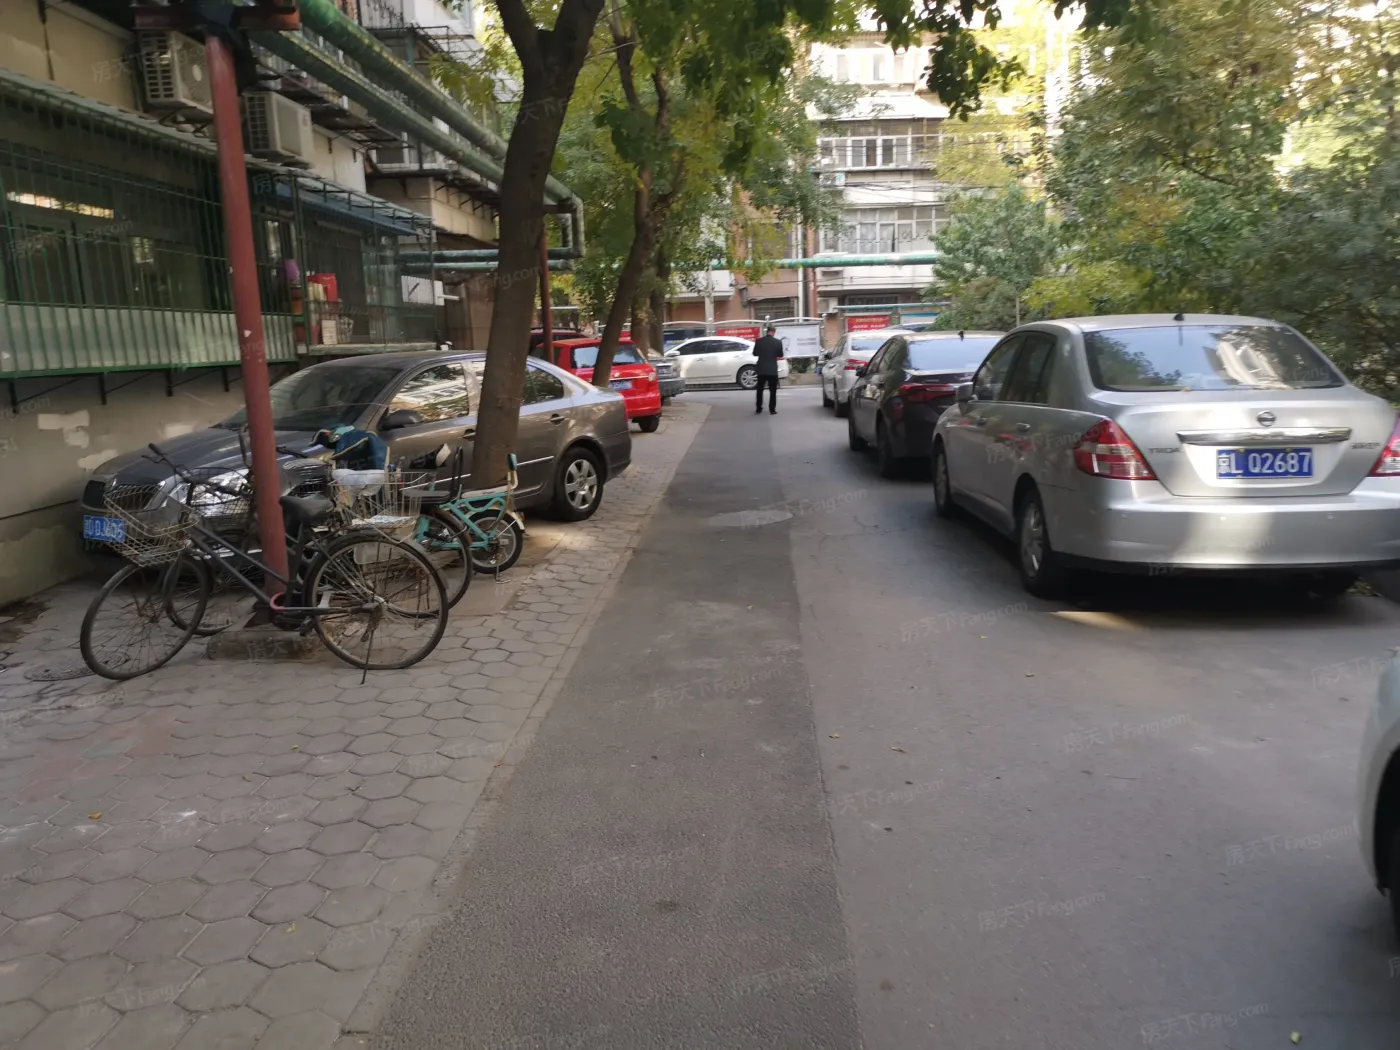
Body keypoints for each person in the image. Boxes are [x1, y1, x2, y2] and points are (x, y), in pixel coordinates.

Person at [751, 324, 785, 415]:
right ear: (774, 332)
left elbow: (754, 353)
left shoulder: (759, 341)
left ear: (767, 331)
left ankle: (758, 408)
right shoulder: (778, 342)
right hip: (772, 370)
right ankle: (772, 409)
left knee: (760, 390)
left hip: (761, 369)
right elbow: (780, 354)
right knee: (773, 391)